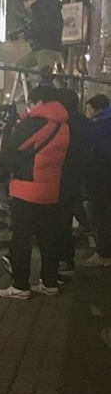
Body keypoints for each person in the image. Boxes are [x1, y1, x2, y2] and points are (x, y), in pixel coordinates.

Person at [0, 85, 69, 299]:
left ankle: (20, 286)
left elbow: (10, 149)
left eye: (31, 104)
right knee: (48, 238)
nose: (29, 108)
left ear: (39, 102)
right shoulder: (63, 124)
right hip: (50, 189)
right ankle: (49, 283)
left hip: (27, 189)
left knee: (21, 239)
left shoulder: (36, 122)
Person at [52, 88, 91, 277]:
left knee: (59, 220)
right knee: (65, 218)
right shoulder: (85, 122)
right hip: (78, 174)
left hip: (61, 175)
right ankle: (66, 259)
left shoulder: (61, 123)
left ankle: (63, 259)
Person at [81, 93, 111, 267]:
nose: (88, 113)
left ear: (97, 109)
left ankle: (104, 254)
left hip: (102, 174)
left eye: (89, 109)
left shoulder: (101, 123)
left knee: (101, 213)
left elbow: (83, 137)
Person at [18, 0, 64, 77]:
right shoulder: (50, 8)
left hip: (44, 50)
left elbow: (39, 28)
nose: (24, 4)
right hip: (53, 48)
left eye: (25, 1)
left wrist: (25, 34)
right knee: (20, 65)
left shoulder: (40, 9)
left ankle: (30, 84)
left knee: (46, 78)